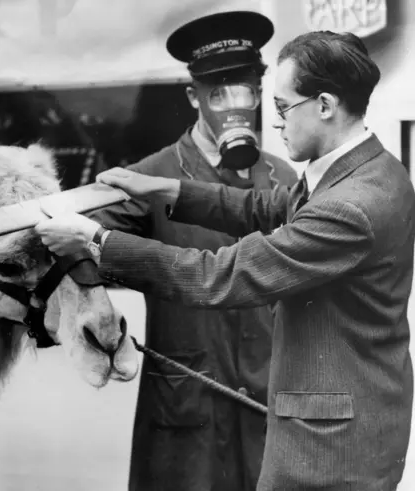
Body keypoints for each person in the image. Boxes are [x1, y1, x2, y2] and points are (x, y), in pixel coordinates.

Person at [35, 30, 415, 491]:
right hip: (350, 420)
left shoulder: (349, 204)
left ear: (325, 105)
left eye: (280, 107)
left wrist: (97, 239)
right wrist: (168, 189)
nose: (272, 123)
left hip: (328, 447)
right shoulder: (368, 170)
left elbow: (220, 276)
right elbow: (264, 207)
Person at [85, 10, 297, 491]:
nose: (232, 103)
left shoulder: (286, 181)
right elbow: (78, 244)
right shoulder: (150, 177)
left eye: (243, 88)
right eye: (216, 93)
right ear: (193, 97)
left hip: (270, 417)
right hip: (186, 418)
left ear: (261, 92)